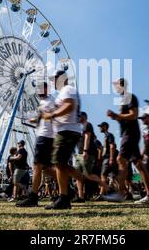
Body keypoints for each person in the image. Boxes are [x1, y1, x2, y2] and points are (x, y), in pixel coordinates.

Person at [42, 70, 104, 209]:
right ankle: (72, 189)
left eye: (55, 79)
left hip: (68, 131)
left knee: (58, 163)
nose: (53, 81)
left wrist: (52, 114)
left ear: (61, 78)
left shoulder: (67, 89)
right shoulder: (65, 91)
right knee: (60, 164)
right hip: (66, 130)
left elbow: (69, 106)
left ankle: (65, 197)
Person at [104, 78, 149, 204]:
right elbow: (124, 118)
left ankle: (120, 193)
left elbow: (133, 115)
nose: (115, 87)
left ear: (121, 85)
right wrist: (115, 117)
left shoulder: (129, 97)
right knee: (138, 164)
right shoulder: (124, 99)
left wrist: (116, 115)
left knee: (120, 160)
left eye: (116, 84)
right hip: (129, 133)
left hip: (130, 133)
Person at [17, 82, 56, 207]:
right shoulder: (43, 102)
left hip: (45, 137)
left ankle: (33, 197)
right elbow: (41, 118)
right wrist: (34, 119)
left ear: (46, 89)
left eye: (40, 88)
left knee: (37, 166)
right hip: (43, 136)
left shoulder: (50, 101)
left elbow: (54, 118)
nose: (38, 91)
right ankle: (68, 189)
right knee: (46, 168)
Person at [73, 111, 98, 203]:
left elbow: (87, 137)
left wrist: (85, 151)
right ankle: (81, 196)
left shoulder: (87, 124)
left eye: (79, 116)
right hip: (79, 154)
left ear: (84, 117)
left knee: (86, 175)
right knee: (77, 174)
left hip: (87, 153)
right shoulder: (79, 127)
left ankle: (88, 194)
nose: (78, 118)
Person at [95, 122, 118, 200]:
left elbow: (112, 146)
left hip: (108, 158)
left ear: (105, 127)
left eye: (101, 126)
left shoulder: (109, 135)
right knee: (115, 177)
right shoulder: (106, 136)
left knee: (103, 175)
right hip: (107, 158)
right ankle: (126, 193)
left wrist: (111, 158)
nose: (99, 128)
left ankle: (101, 194)